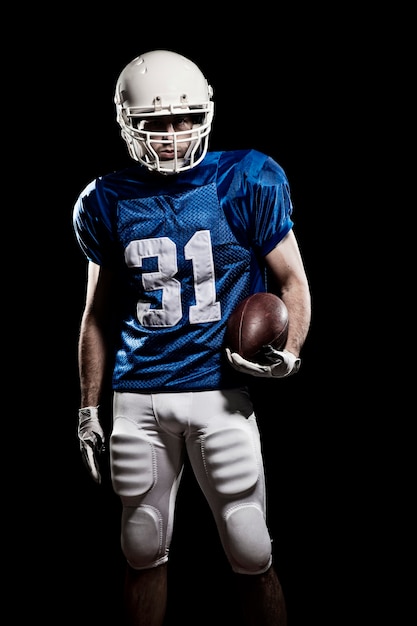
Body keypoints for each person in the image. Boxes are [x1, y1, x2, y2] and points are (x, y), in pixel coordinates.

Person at [73, 49, 311, 626]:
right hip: (139, 396)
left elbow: (292, 281)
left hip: (220, 388)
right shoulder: (105, 199)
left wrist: (292, 351)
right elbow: (97, 315)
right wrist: (86, 408)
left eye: (184, 118)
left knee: (251, 545)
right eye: (157, 122)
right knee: (141, 545)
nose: (174, 135)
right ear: (130, 125)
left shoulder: (246, 177)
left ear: (205, 112)